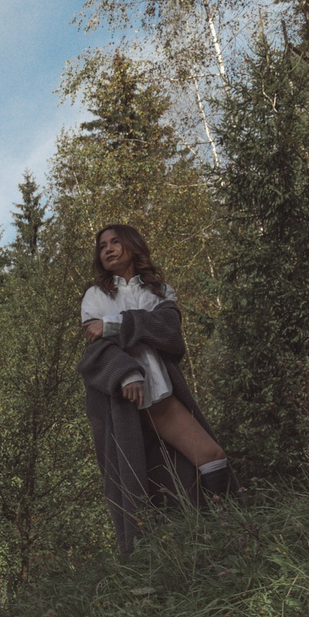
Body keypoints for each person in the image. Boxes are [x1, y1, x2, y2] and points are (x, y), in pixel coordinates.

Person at [77, 223, 234, 552]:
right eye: (102, 245)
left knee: (210, 454)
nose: (107, 249)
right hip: (119, 403)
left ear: (133, 245)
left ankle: (228, 527)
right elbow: (94, 350)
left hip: (160, 393)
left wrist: (113, 325)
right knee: (133, 487)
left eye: (115, 242)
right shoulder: (95, 295)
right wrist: (127, 372)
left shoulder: (160, 291)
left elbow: (169, 334)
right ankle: (148, 563)